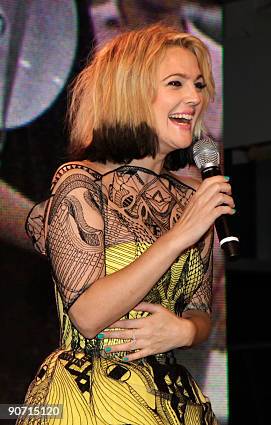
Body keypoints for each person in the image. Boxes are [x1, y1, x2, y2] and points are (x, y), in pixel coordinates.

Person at [17, 24, 234, 425]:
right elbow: (87, 313)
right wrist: (179, 236)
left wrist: (186, 332)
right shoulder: (80, 183)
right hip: (93, 397)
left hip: (167, 399)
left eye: (199, 85)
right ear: (130, 92)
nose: (195, 98)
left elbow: (201, 312)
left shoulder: (190, 201)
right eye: (176, 83)